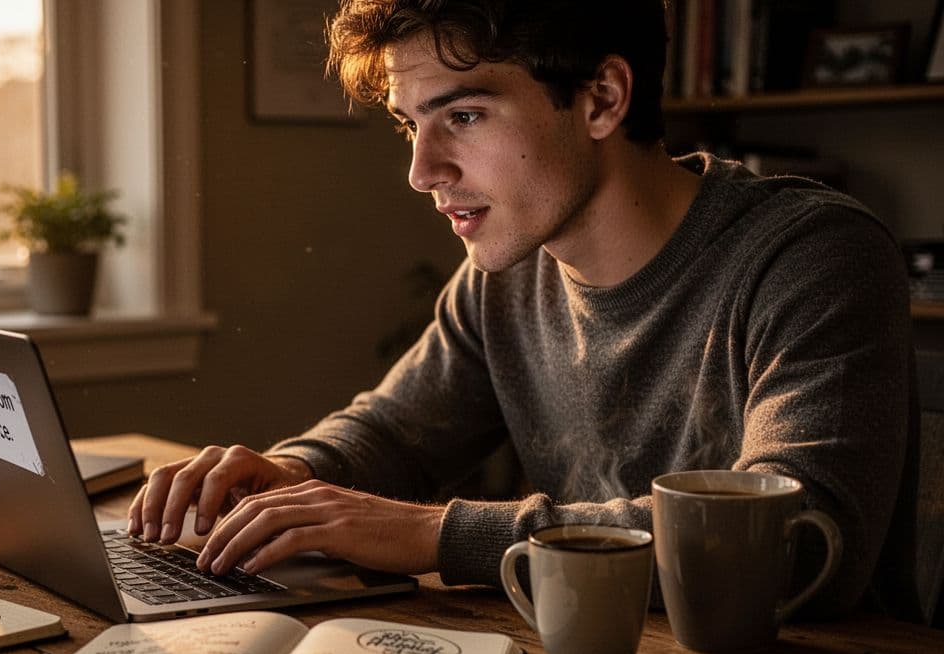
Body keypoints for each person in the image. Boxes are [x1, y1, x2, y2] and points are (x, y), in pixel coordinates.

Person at [128, 0, 919, 619]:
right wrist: (293, 474)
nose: (422, 171)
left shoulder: (812, 255)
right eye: (411, 124)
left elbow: (794, 539)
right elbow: (395, 433)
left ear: (602, 99)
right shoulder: (507, 272)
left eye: (463, 116)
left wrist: (436, 535)